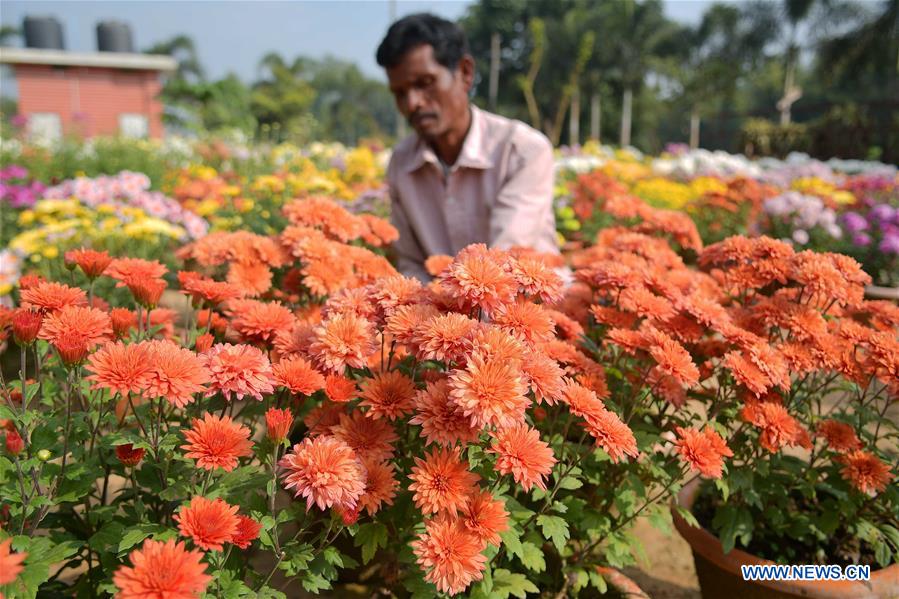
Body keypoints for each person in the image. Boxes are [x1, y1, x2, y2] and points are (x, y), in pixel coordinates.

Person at [376, 13, 559, 282]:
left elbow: (505, 262)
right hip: (442, 312)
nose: (412, 103)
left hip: (526, 307)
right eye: (399, 93)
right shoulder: (402, 163)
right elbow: (411, 264)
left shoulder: (522, 151)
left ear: (465, 73)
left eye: (424, 84)